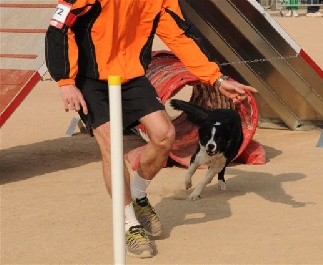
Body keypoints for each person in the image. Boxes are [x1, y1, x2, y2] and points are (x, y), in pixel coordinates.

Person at [45, 0, 258, 259]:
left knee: (164, 135)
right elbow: (58, 27)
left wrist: (216, 78)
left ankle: (138, 196)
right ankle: (130, 224)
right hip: (89, 78)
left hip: (132, 76)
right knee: (112, 147)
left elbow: (179, 37)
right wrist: (65, 81)